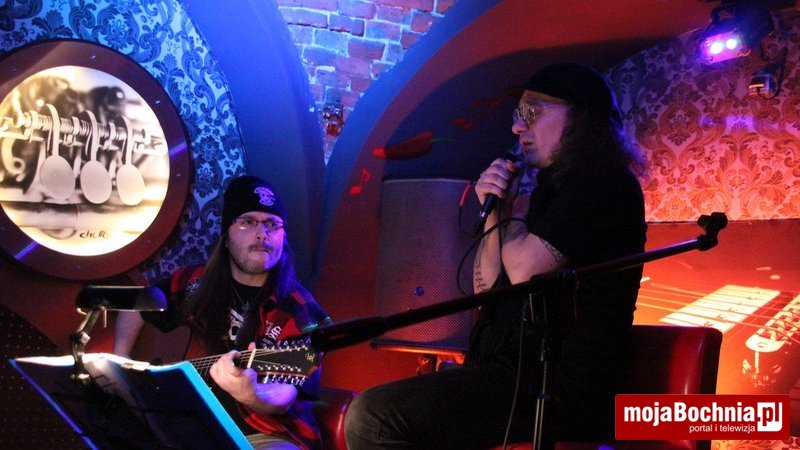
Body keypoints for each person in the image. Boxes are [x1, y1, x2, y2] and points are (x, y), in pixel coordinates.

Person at [344, 62, 647, 448]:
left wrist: (508, 212)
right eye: (517, 114)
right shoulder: (545, 194)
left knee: (374, 417)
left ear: (581, 116)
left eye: (532, 112)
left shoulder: (604, 184)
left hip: (557, 386)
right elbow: (486, 289)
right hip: (508, 373)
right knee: (380, 410)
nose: (518, 127)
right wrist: (494, 212)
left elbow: (525, 273)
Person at [114, 175, 332, 450]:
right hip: (186, 427)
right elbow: (139, 303)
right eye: (247, 222)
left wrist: (251, 393)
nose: (261, 234)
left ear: (283, 236)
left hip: (263, 434)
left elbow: (286, 393)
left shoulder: (299, 308)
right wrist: (120, 360)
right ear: (226, 237)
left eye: (272, 224)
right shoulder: (192, 283)